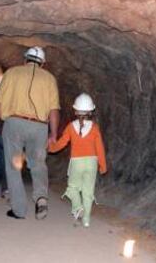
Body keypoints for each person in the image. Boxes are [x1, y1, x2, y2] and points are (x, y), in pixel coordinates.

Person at [0, 46, 60, 220]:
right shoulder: (49, 78)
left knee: (13, 167)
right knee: (38, 164)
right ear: (42, 63)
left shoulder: (11, 73)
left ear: (25, 60)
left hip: (14, 124)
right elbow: (54, 109)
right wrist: (53, 134)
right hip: (40, 126)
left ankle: (19, 210)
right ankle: (41, 197)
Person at [49, 93, 107, 227]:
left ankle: (77, 207)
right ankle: (86, 220)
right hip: (92, 163)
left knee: (73, 188)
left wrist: (50, 148)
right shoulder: (95, 128)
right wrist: (103, 165)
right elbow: (100, 148)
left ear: (75, 111)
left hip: (77, 163)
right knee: (88, 192)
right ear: (91, 112)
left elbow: (61, 143)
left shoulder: (70, 127)